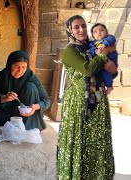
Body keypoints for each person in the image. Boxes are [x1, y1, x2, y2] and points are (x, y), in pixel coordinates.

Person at [57, 15, 117, 180]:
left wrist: (114, 70)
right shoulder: (70, 51)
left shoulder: (92, 45)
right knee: (81, 140)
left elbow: (108, 67)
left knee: (96, 142)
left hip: (98, 100)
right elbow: (88, 69)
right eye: (76, 27)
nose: (81, 30)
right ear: (70, 30)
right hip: (78, 104)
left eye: (83, 26)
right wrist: (104, 54)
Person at [0, 50, 51, 131]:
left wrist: (36, 107)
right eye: (17, 66)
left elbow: (47, 100)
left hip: (26, 115)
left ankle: (23, 126)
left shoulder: (31, 77)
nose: (20, 70)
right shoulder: (2, 75)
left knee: (30, 87)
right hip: (7, 111)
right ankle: (13, 126)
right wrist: (4, 98)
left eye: (24, 67)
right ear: (10, 65)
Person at [89, 23, 118, 94]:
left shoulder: (108, 38)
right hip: (101, 64)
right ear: (93, 36)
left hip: (110, 60)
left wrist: (105, 44)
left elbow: (112, 39)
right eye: (95, 32)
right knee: (104, 73)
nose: (99, 32)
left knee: (107, 74)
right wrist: (96, 51)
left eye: (101, 30)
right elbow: (91, 50)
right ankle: (107, 86)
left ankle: (109, 86)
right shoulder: (92, 43)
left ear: (106, 32)